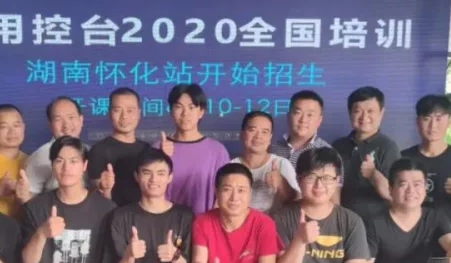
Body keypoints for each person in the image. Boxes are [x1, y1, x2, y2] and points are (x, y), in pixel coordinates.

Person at [401, 94, 451, 225]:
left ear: (449, 122)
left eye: (438, 119)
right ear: (417, 122)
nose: (433, 125)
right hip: (410, 228)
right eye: (427, 119)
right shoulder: (403, 158)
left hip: (449, 230)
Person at [155, 83, 230, 215]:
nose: (185, 113)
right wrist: (161, 158)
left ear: (201, 112)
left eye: (191, 107)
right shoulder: (158, 148)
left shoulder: (217, 151)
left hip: (204, 224)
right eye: (179, 107)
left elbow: (225, 193)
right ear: (171, 111)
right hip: (164, 222)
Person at [332, 86, 400, 222]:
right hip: (343, 221)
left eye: (370, 111)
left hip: (378, 224)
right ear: (350, 113)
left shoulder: (388, 147)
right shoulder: (338, 146)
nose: (364, 117)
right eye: (358, 111)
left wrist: (373, 174)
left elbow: (395, 195)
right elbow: (332, 187)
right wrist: (337, 220)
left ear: (381, 113)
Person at [87, 87, 150, 207]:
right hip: (112, 215)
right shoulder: (99, 150)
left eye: (130, 110)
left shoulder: (147, 149)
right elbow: (94, 192)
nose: (124, 116)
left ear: (139, 113)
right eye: (117, 110)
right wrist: (102, 187)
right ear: (110, 113)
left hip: (144, 215)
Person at [232, 111, 299, 213]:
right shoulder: (231, 166)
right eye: (252, 130)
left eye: (265, 132)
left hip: (274, 222)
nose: (258, 136)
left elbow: (298, 201)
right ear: (242, 134)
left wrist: (282, 184)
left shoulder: (281, 164)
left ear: (270, 138)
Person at [25, 97, 85, 199]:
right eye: (58, 119)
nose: (66, 125)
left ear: (81, 120)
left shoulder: (90, 151)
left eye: (71, 117)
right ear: (50, 124)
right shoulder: (41, 155)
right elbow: (28, 198)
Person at [0, 104, 31, 219]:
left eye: (16, 125)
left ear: (23, 127)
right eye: (4, 126)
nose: (12, 132)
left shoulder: (30, 161)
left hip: (22, 227)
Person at [269, 90, 331, 168]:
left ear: (319, 120)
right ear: (288, 116)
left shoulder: (328, 154)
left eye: (310, 115)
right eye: (298, 113)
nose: (303, 120)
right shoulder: (271, 148)